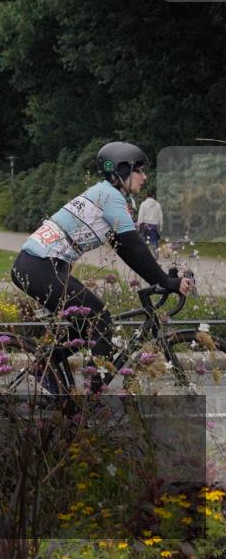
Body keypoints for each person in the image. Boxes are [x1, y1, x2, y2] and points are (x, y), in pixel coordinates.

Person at [10, 142, 194, 392]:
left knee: (86, 324)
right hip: (40, 265)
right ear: (122, 171)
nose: (145, 176)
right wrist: (165, 282)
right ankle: (91, 397)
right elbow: (133, 247)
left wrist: (160, 278)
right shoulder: (110, 197)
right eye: (140, 170)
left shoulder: (104, 195)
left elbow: (126, 249)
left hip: (38, 265)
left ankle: (49, 368)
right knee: (100, 319)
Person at [136, 189, 164, 256]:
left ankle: (144, 255)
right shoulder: (158, 205)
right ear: (153, 196)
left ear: (146, 195)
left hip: (145, 225)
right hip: (154, 226)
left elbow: (140, 216)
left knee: (144, 242)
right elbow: (160, 216)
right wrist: (161, 226)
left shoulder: (143, 204)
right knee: (154, 241)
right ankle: (155, 255)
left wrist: (138, 225)